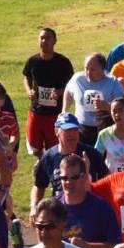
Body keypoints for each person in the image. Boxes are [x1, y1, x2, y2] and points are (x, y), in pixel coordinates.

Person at [31, 113, 109, 210]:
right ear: (56, 131)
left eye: (75, 130)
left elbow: (106, 180)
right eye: (67, 130)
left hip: (88, 208)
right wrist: (34, 207)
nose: (72, 134)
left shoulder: (91, 154)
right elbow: (39, 186)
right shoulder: (49, 157)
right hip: (60, 211)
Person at [21, 28, 76, 157]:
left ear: (54, 41)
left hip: (56, 114)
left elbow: (72, 83)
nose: (44, 41)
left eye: (48, 38)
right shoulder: (32, 61)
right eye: (41, 38)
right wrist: (29, 90)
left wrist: (60, 91)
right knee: (34, 146)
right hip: (36, 112)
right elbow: (26, 77)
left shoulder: (63, 62)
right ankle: (42, 161)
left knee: (56, 147)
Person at [63, 53, 124, 145]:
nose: (88, 72)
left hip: (106, 129)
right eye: (86, 68)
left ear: (103, 69)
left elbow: (123, 106)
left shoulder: (112, 82)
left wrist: (108, 106)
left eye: (92, 69)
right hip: (82, 129)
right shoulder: (78, 79)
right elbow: (68, 90)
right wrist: (64, 110)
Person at [96, 98, 124, 174]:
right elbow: (96, 157)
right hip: (112, 180)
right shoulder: (104, 135)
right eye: (114, 111)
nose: (117, 114)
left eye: (121, 110)